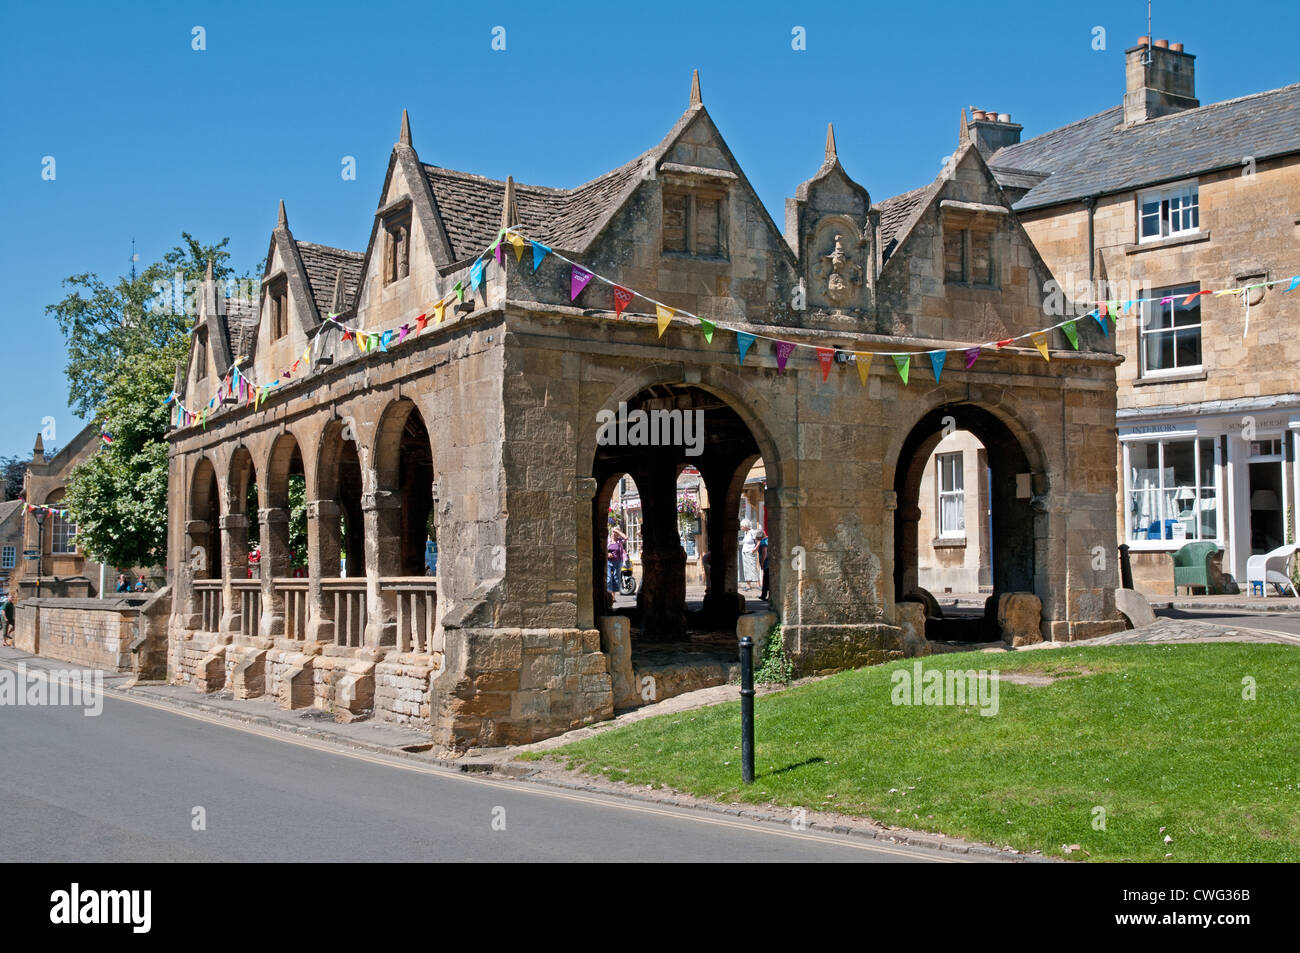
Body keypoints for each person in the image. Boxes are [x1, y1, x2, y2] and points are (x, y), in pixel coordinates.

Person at [607, 524, 627, 596]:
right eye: (613, 532)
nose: (614, 534)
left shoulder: (619, 541)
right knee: (608, 578)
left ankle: (613, 596)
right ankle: (609, 595)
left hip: (618, 561)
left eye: (615, 532)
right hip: (608, 561)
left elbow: (626, 538)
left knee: (616, 578)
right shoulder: (608, 541)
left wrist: (617, 531)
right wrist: (607, 554)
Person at [740, 519, 760, 591]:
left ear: (746, 526)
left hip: (751, 552)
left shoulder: (752, 532)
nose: (741, 527)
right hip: (744, 552)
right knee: (746, 569)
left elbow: (758, 542)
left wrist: (754, 550)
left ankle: (758, 584)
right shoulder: (745, 533)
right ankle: (748, 585)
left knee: (753, 567)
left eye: (742, 526)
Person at [757, 529, 770, 601]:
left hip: (766, 563)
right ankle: (765, 595)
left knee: (766, 580)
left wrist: (762, 563)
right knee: (768, 580)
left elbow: (764, 553)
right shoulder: (768, 539)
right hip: (771, 563)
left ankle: (764, 595)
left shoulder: (762, 542)